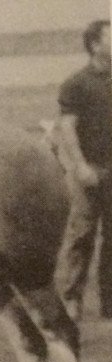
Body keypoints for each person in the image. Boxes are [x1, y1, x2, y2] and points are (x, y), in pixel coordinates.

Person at [56, 19, 112, 321]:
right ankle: (71, 300)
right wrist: (80, 166)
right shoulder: (76, 84)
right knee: (82, 236)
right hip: (88, 172)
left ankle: (110, 305)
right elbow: (67, 128)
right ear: (95, 45)